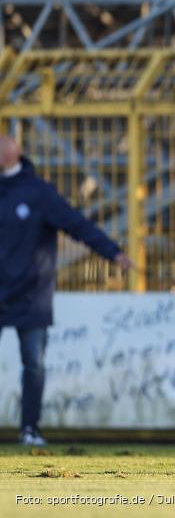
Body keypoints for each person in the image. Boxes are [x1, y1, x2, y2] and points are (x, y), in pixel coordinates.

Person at [0, 136, 133, 446]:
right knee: (33, 363)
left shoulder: (38, 193)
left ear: (13, 153)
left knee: (33, 364)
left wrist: (113, 252)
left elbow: (77, 225)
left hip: (31, 294)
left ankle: (30, 429)